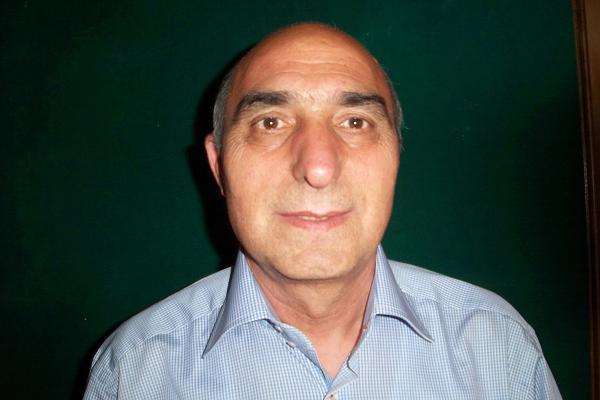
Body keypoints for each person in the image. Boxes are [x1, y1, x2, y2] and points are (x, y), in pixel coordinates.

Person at [83, 22, 561, 399]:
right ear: (219, 167)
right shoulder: (135, 372)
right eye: (270, 122)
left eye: (355, 122)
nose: (317, 167)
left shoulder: (498, 347)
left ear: (395, 159)